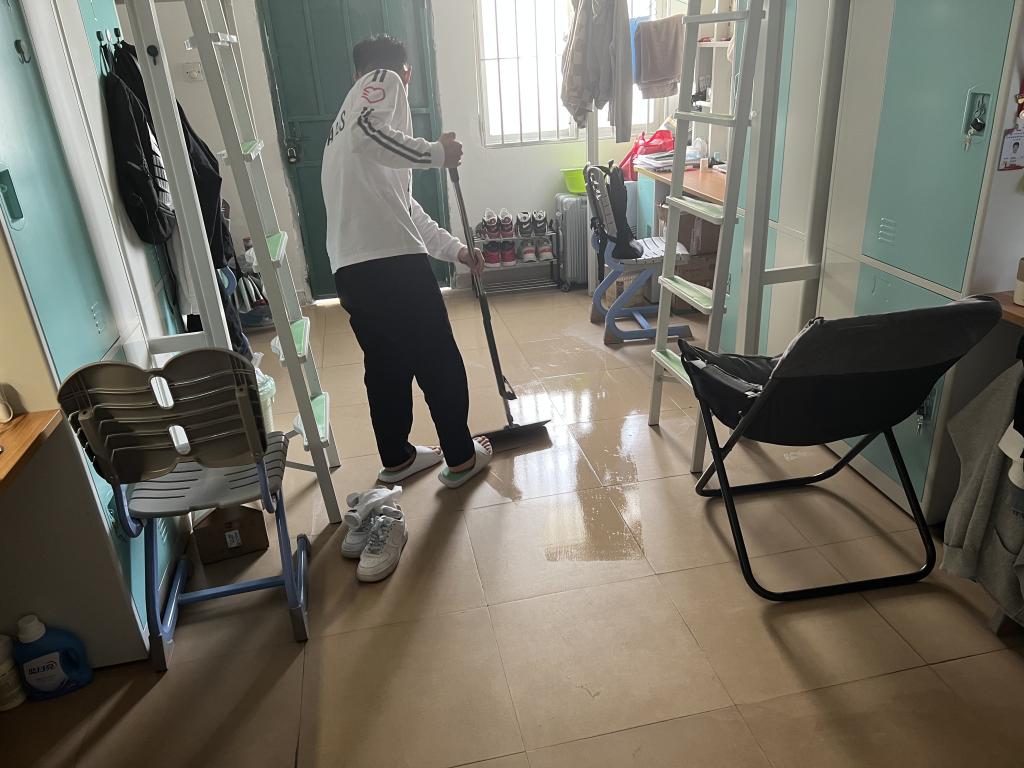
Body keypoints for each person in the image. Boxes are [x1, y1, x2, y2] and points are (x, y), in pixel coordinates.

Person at [322, 34, 492, 490]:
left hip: (352, 269)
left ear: (354, 74)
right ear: (406, 73)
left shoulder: (338, 128)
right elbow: (368, 135)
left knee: (386, 366)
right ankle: (461, 458)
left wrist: (456, 250)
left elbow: (404, 210)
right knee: (437, 359)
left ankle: (397, 459)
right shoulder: (385, 80)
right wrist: (436, 154)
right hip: (391, 264)